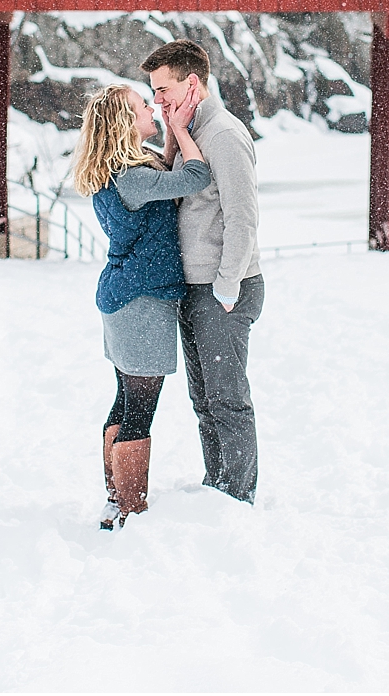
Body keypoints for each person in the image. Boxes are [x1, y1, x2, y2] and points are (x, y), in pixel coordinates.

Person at [70, 81, 210, 530]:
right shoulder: (132, 176)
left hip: (125, 297)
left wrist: (170, 135)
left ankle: (117, 500)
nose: (152, 107)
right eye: (142, 106)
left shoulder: (127, 169)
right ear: (125, 123)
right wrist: (182, 127)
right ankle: (128, 507)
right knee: (138, 408)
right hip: (141, 301)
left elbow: (166, 171)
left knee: (127, 400)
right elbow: (194, 177)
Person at [140, 39, 264, 503]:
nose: (158, 101)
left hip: (224, 288)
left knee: (227, 399)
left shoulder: (225, 136)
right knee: (204, 400)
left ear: (192, 83)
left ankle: (237, 496)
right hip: (195, 287)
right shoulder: (192, 132)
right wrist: (173, 132)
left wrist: (227, 284)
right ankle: (218, 487)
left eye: (164, 89)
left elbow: (242, 216)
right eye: (153, 93)